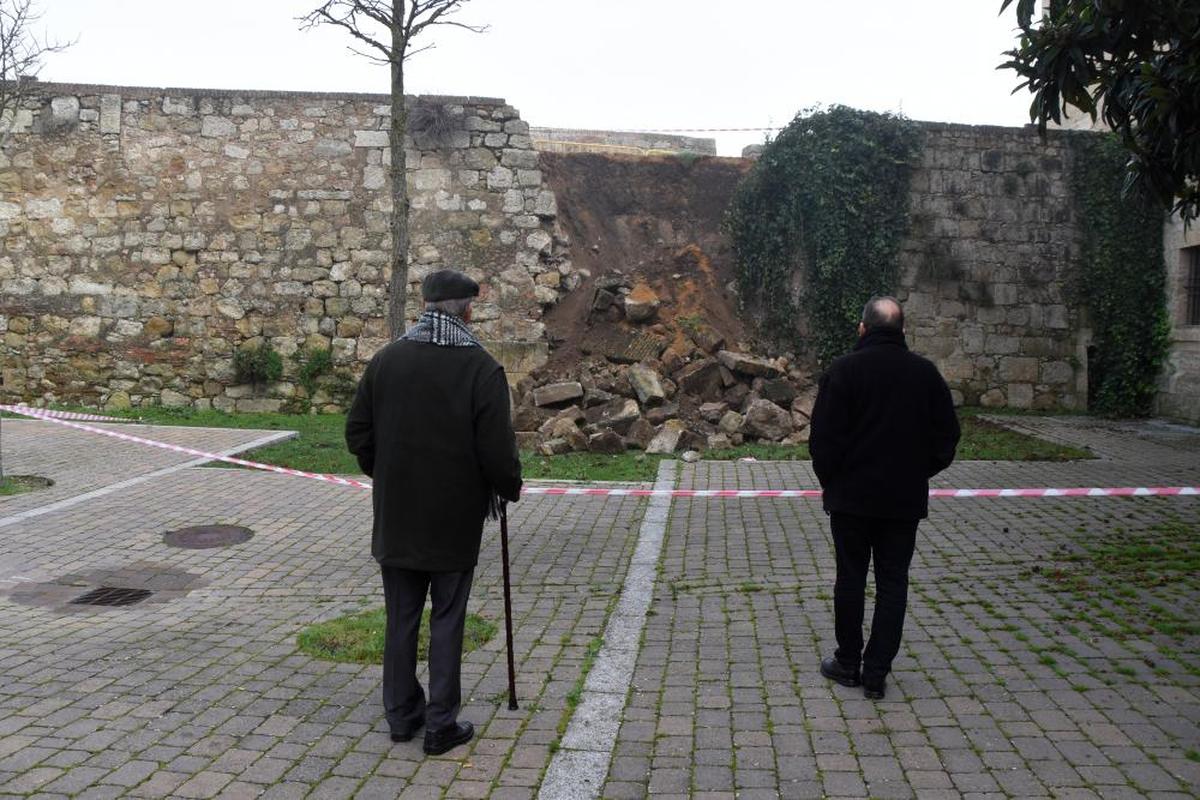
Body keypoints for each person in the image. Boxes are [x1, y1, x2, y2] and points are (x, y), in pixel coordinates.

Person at [345, 269, 522, 755]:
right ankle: (441, 723)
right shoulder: (481, 368)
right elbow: (498, 451)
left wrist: (387, 473)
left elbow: (357, 432)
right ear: (466, 310)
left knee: (400, 616)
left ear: (425, 308)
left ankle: (401, 717)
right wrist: (509, 487)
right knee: (447, 617)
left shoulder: (387, 361)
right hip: (454, 518)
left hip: (398, 515)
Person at [809, 295, 960, 700]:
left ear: (862, 329)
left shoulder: (842, 372)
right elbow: (947, 439)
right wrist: (915, 473)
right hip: (902, 502)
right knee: (894, 583)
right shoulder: (926, 375)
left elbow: (822, 441)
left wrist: (834, 481)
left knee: (851, 579)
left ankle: (847, 661)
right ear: (903, 331)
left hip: (851, 500)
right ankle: (876, 671)